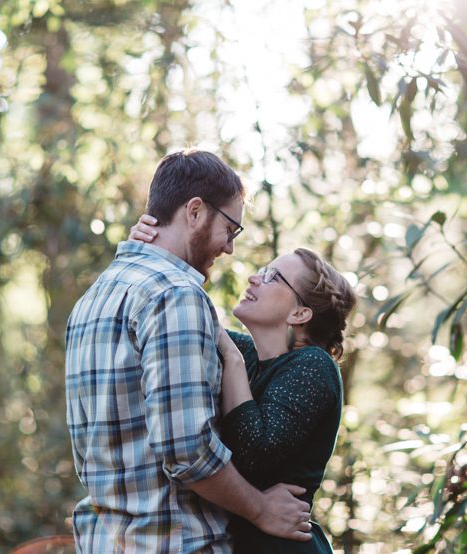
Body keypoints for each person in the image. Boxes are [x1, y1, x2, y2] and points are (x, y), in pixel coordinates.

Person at [65, 149, 312, 553]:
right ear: (195, 211)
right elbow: (187, 451)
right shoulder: (175, 295)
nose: (229, 248)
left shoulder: (95, 297)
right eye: (230, 229)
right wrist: (261, 509)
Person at [130, 216, 357, 553]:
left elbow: (251, 454)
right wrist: (150, 249)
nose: (254, 278)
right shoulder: (249, 354)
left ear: (299, 314)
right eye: (262, 271)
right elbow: (185, 320)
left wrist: (233, 363)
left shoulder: (314, 365)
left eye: (272, 277)